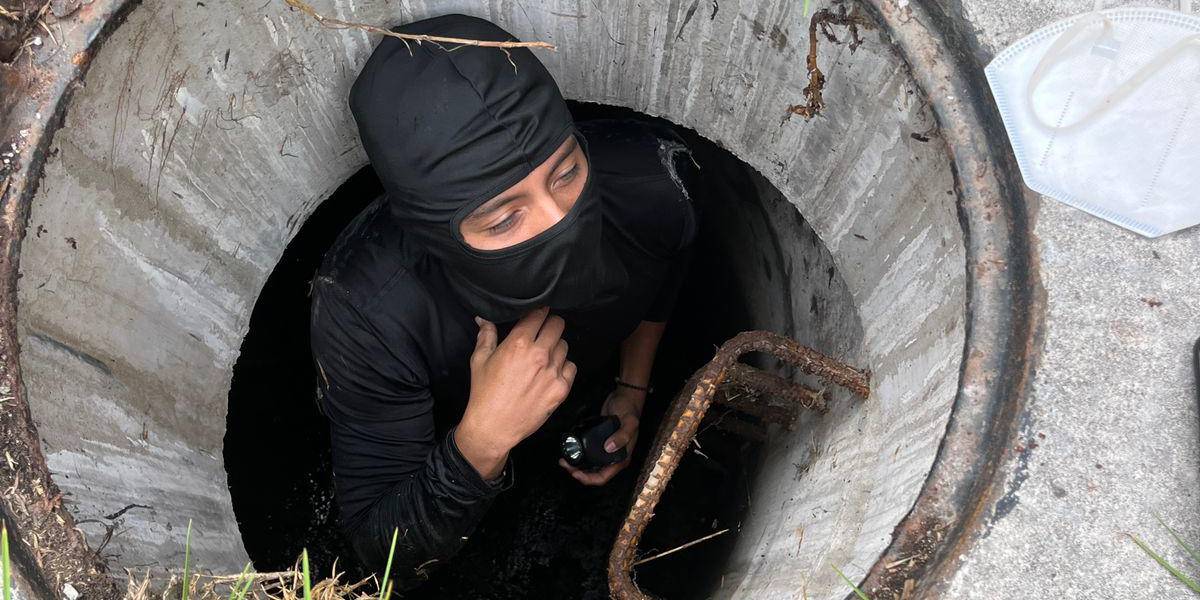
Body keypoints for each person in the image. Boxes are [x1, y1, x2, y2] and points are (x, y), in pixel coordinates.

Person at [308, 13, 699, 591]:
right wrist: (483, 439)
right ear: (434, 232)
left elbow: (664, 268)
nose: (561, 221)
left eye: (564, 172)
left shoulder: (650, 182)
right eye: (505, 216)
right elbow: (379, 552)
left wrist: (631, 388)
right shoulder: (367, 311)